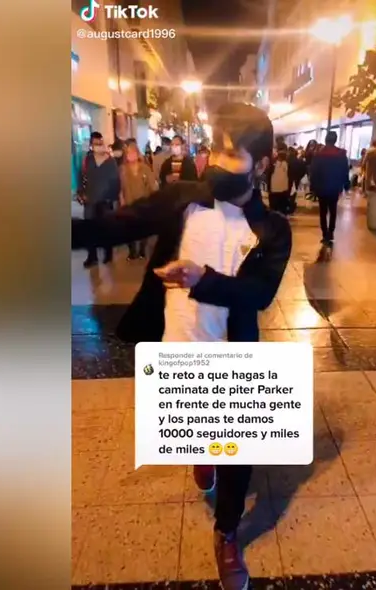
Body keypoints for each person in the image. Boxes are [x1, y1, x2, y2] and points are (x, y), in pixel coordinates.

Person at [72, 103, 290, 590]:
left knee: (239, 449)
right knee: (200, 429)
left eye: (231, 154)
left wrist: (202, 279)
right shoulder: (185, 198)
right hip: (177, 342)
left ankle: (228, 532)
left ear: (263, 161)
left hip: (234, 351)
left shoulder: (272, 229)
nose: (215, 161)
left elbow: (259, 294)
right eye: (214, 147)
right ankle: (202, 447)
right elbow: (118, 225)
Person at [77, 131, 120, 267]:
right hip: (90, 200)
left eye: (100, 143)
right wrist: (81, 193)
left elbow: (116, 181)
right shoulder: (86, 160)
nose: (98, 146)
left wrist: (112, 197)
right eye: (95, 144)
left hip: (105, 201)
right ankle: (92, 256)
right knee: (90, 229)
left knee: (106, 228)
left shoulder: (110, 161)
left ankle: (108, 254)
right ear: (91, 145)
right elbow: (81, 177)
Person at [308, 130, 349, 245]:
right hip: (335, 187)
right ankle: (331, 232)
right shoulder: (341, 155)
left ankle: (324, 233)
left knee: (323, 211)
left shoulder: (319, 154)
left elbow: (314, 172)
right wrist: (346, 185)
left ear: (326, 140)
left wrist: (313, 187)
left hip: (322, 187)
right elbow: (345, 171)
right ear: (335, 140)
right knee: (333, 210)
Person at [119, 139, 158, 259]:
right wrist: (122, 201)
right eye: (129, 153)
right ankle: (132, 251)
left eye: (133, 152)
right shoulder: (122, 169)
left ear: (137, 153)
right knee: (128, 229)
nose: (131, 155)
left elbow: (153, 186)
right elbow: (120, 188)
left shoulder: (145, 168)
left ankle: (142, 250)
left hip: (143, 203)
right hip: (129, 203)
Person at [268, 150, 292, 214]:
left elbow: (268, 175)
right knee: (282, 205)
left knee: (274, 206)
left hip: (274, 189)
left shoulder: (273, 165)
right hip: (284, 189)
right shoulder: (288, 165)